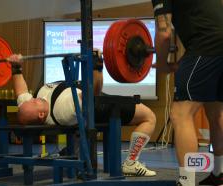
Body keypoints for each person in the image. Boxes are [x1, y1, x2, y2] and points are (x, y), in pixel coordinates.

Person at [9, 49, 157, 177]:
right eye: (34, 102)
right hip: (97, 105)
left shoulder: (31, 105)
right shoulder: (63, 109)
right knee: (149, 117)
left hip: (89, 97)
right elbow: (92, 94)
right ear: (41, 115)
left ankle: (70, 149)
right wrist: (97, 66)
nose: (33, 99)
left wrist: (16, 67)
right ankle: (131, 162)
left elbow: (21, 92)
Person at [151, 0, 223, 185]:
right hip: (212, 43)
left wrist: (161, 64)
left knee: (181, 114)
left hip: (206, 45)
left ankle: (187, 181)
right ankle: (219, 174)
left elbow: (164, 33)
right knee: (216, 112)